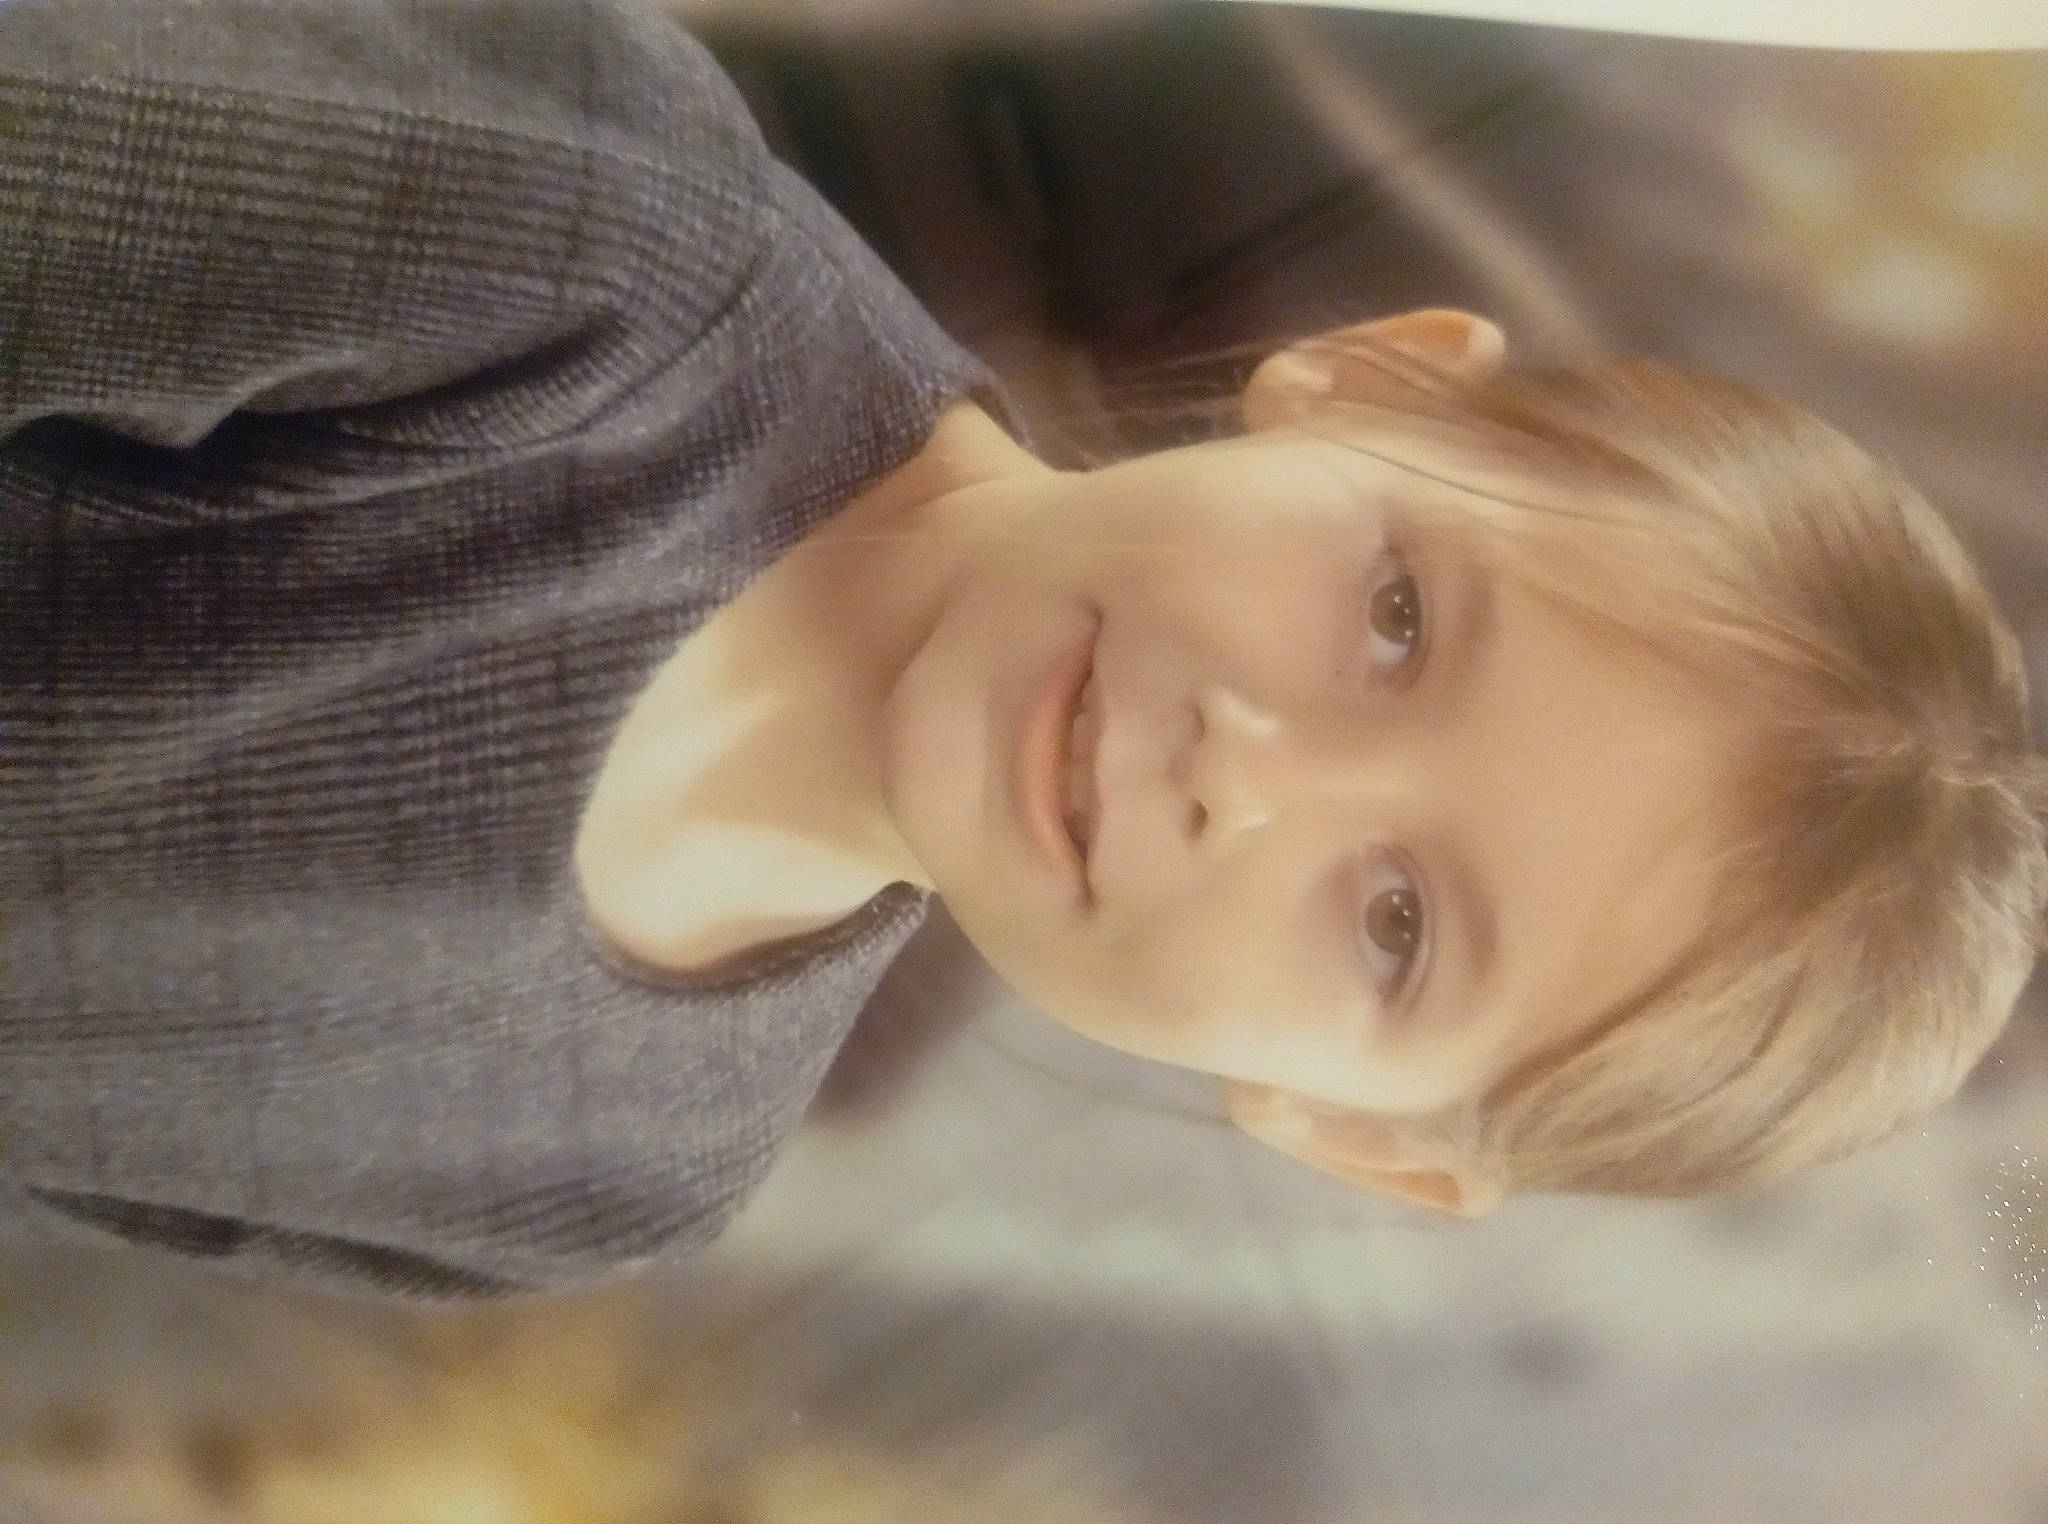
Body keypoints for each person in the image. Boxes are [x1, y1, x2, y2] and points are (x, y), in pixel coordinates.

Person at [2, 0, 2041, 1303]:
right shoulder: (596, 250)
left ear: (1363, 1135)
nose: (1243, 767)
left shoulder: (611, 1177)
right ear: (1375, 380)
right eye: (1399, 619)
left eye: (1399, 925)